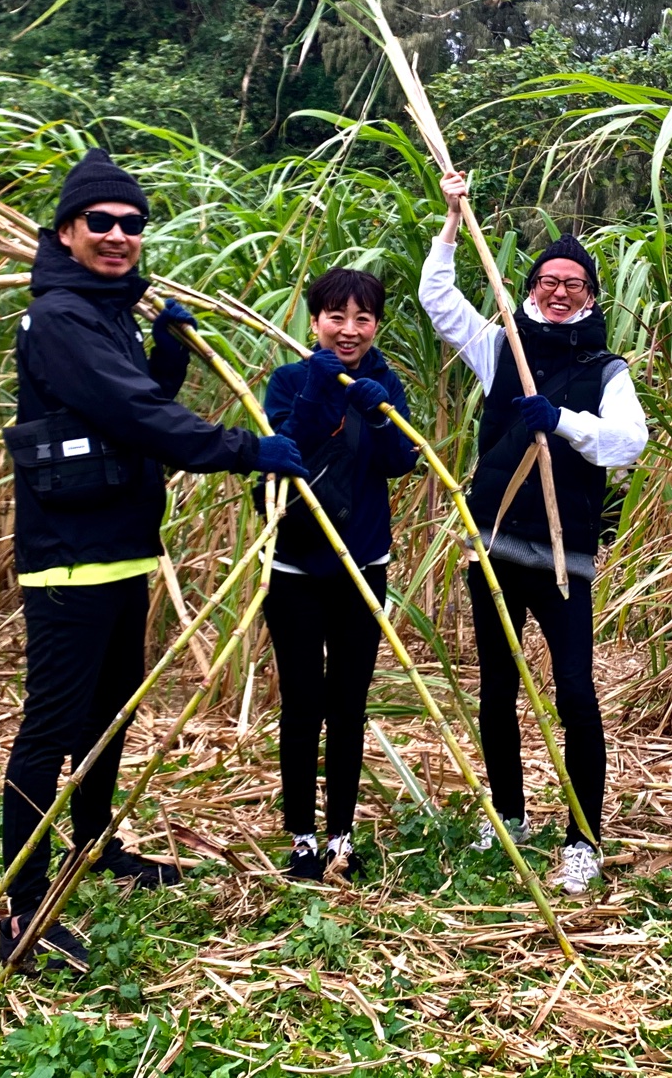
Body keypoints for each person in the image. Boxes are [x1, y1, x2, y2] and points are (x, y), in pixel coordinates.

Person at [0, 148, 308, 972]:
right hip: (69, 560)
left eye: (131, 225)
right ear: (65, 231)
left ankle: (95, 846)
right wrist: (247, 449)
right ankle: (22, 911)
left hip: (120, 551)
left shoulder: (104, 311)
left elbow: (135, 398)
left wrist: (166, 350)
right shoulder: (62, 316)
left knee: (109, 718)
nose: (117, 235)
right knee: (51, 730)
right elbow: (135, 415)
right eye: (99, 222)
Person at [421, 172, 648, 896]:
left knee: (576, 695)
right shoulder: (500, 348)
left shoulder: (603, 369)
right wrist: (454, 220)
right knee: (497, 689)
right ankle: (510, 814)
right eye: (548, 279)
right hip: (493, 552)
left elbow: (627, 444)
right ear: (532, 284)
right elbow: (438, 301)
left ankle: (584, 837)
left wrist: (564, 422)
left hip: (563, 559)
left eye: (573, 282)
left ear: (590, 293)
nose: (558, 290)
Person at [260, 268, 419, 883]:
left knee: (348, 704)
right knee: (302, 702)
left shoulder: (384, 379)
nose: (349, 330)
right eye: (336, 317)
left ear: (376, 324)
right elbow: (283, 452)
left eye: (363, 318)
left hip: (364, 564)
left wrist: (376, 413)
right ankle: (300, 836)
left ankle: (341, 837)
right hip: (297, 566)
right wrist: (317, 395)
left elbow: (403, 461)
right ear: (314, 319)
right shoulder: (291, 378)